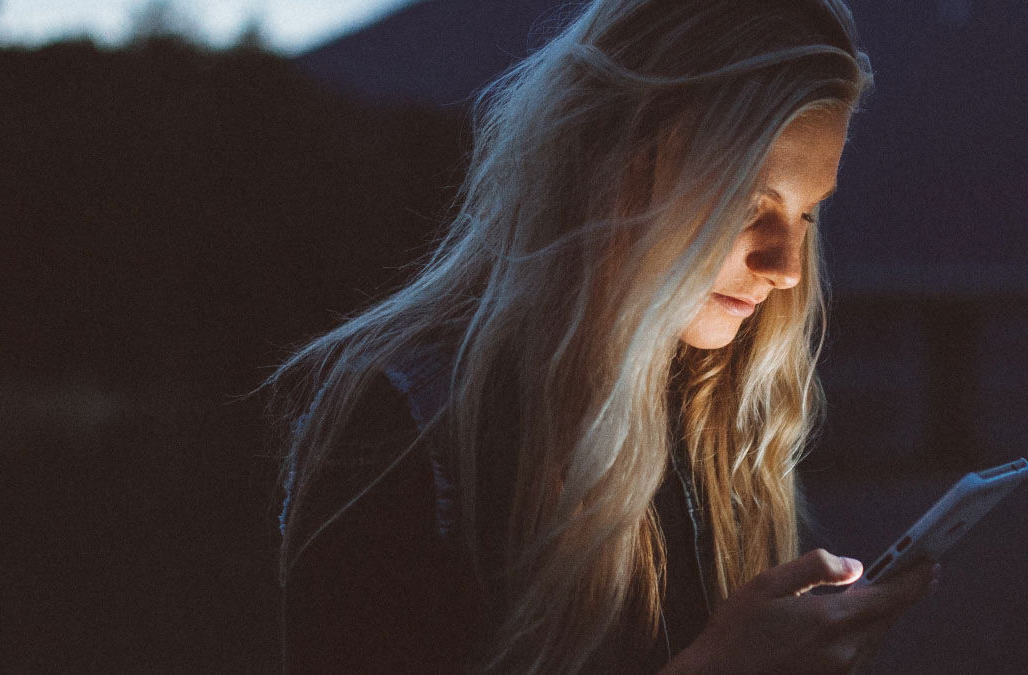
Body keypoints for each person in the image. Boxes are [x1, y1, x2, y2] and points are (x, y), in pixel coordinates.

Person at [269, 0, 938, 672]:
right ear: (609, 159)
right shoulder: (404, 427)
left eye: (807, 214)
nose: (786, 268)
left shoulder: (710, 423)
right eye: (745, 203)